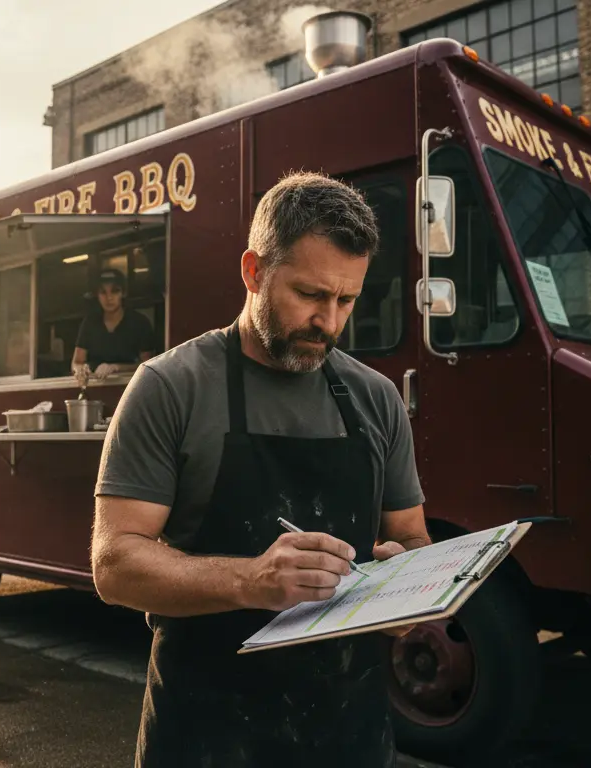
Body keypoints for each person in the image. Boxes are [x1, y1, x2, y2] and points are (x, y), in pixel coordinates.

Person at [90, 171, 431, 767]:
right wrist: (251, 580)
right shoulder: (171, 387)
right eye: (309, 294)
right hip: (206, 734)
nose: (329, 321)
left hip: (348, 735)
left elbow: (411, 537)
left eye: (346, 300)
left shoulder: (376, 400)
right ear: (253, 271)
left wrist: (405, 591)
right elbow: (115, 562)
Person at [71, 268, 157, 385]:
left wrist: (115, 367)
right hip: (95, 388)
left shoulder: (139, 322)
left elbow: (148, 364)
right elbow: (77, 362)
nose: (109, 297)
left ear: (123, 293)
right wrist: (80, 369)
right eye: (103, 292)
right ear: (97, 295)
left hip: (131, 387)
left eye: (114, 291)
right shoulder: (90, 322)